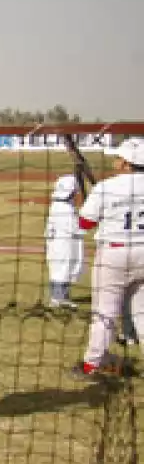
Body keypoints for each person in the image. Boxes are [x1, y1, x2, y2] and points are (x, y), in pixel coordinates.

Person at [77, 138, 144, 376]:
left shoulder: (107, 187)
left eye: (119, 158)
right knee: (141, 312)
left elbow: (84, 223)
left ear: (127, 163)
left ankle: (91, 364)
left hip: (114, 253)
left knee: (104, 311)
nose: (115, 161)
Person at [45, 174, 85, 309]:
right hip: (63, 244)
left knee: (60, 268)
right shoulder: (65, 209)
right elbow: (75, 228)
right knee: (63, 267)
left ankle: (61, 297)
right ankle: (58, 298)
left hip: (58, 244)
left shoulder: (57, 205)